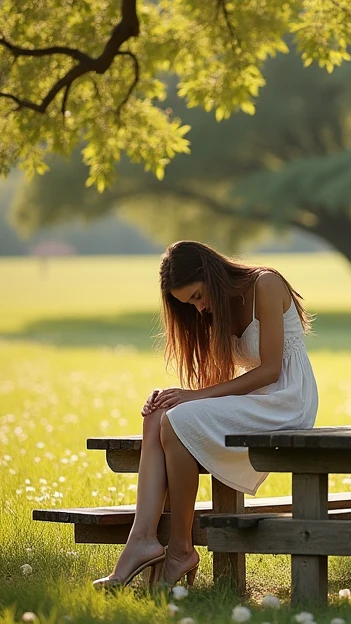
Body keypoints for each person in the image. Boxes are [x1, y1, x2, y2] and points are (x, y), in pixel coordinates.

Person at [93, 240, 318, 589]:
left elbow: (271, 370)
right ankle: (142, 540)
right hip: (255, 401)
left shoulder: (266, 285)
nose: (198, 308)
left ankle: (181, 548)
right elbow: (221, 383)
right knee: (159, 415)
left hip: (287, 401)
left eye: (197, 296)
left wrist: (191, 398)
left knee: (178, 420)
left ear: (210, 274)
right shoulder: (218, 309)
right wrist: (174, 398)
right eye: (190, 303)